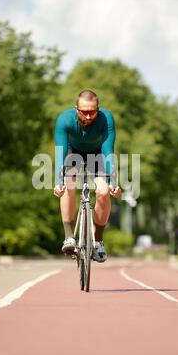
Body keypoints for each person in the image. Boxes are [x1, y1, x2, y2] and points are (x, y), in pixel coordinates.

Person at [54, 89, 121, 262]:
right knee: (67, 184)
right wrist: (58, 181)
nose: (89, 116)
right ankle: (69, 237)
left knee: (103, 191)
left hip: (97, 152)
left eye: (93, 111)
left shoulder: (106, 118)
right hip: (72, 151)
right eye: (84, 112)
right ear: (76, 108)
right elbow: (60, 152)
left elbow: (108, 152)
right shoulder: (64, 119)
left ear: (98, 108)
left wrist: (113, 182)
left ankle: (98, 241)